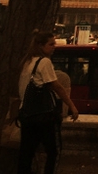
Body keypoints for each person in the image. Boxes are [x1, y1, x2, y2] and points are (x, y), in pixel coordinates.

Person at [18, 31, 79, 174]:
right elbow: (57, 86)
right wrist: (72, 106)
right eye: (51, 44)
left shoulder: (27, 62)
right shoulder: (44, 62)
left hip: (26, 114)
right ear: (40, 45)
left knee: (26, 152)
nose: (54, 47)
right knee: (53, 151)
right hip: (43, 116)